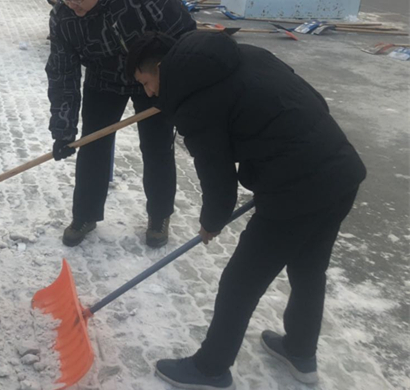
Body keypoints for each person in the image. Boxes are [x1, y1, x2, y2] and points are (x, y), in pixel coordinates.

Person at [125, 32, 366, 389]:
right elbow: (313, 101)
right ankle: (300, 351)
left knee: (240, 282)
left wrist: (212, 222)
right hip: (342, 169)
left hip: (296, 189)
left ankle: (210, 369)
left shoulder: (193, 103)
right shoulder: (246, 54)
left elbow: (217, 178)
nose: (148, 93)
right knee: (308, 268)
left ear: (161, 67)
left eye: (146, 82)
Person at [47, 0, 196, 248]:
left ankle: (159, 215)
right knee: (93, 145)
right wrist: (63, 130)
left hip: (152, 79)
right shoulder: (64, 17)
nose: (70, 5)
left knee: (157, 147)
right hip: (103, 78)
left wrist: (177, 91)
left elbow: (185, 38)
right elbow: (62, 73)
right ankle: (85, 215)